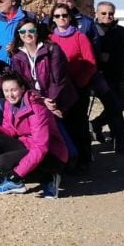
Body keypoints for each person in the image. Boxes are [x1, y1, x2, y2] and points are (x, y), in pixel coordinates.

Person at [9, 19, 85, 168]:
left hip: (59, 97)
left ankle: (76, 159)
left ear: (37, 32)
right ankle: (62, 160)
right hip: (38, 99)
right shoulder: (17, 55)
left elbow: (58, 78)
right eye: (23, 31)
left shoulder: (51, 49)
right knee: (49, 131)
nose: (27, 34)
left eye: (31, 31)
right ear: (18, 34)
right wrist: (41, 100)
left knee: (69, 129)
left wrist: (51, 101)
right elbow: (22, 83)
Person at [0, 74, 68, 197]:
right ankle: (15, 180)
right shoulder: (10, 105)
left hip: (51, 154)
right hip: (27, 145)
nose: (10, 95)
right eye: (6, 91)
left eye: (14, 90)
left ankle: (47, 176)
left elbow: (41, 147)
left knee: (2, 162)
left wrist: (18, 172)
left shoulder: (36, 109)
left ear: (23, 88)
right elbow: (10, 130)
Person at [91, 1, 124, 151]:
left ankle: (96, 125)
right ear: (97, 13)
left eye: (110, 13)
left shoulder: (120, 31)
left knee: (119, 106)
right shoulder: (92, 30)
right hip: (99, 77)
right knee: (115, 107)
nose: (107, 16)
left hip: (117, 75)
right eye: (104, 13)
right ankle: (120, 141)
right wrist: (99, 57)